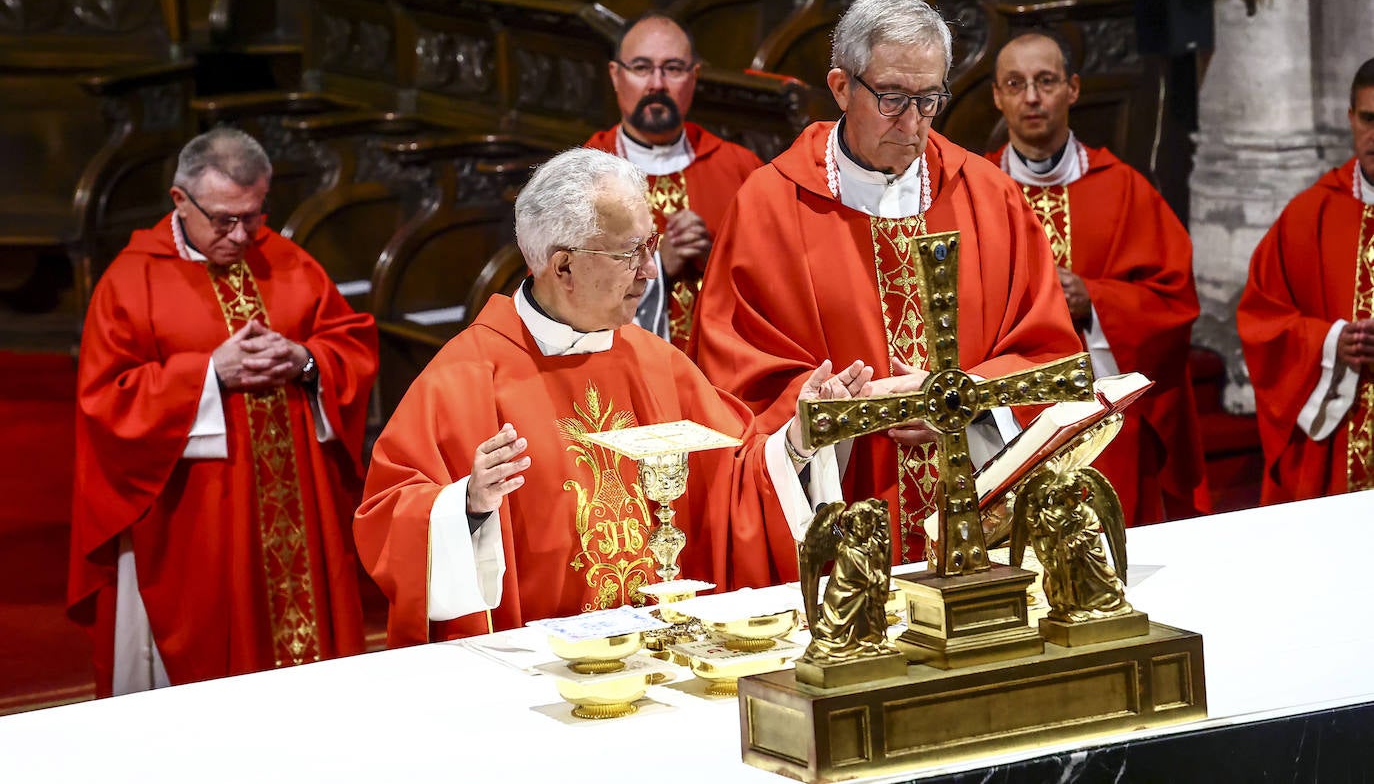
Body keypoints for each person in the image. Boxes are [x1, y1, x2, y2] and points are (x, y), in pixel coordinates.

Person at [354, 148, 870, 646]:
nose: (650, 270)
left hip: (664, 658)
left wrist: (801, 439)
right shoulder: (465, 377)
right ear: (562, 268)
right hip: (541, 682)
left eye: (650, 245)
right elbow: (386, 517)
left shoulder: (657, 362)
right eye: (630, 253)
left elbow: (735, 481)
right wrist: (467, 506)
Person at [689, 0, 1083, 567]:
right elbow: (733, 379)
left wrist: (961, 402)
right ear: (841, 86)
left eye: (929, 100)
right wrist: (837, 407)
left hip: (974, 511)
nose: (912, 122)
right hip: (844, 516)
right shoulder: (769, 206)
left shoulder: (987, 196)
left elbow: (1045, 356)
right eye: (893, 98)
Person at [68, 127, 379, 696]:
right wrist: (209, 374)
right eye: (223, 219)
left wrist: (306, 359)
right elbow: (107, 399)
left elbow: (351, 343)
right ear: (180, 201)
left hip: (295, 515)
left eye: (254, 216)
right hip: (195, 518)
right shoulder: (130, 280)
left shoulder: (287, 261)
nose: (241, 235)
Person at [987, 31, 1206, 525]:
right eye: (1016, 84)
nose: (1032, 98)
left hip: (1106, 416)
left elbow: (1174, 301)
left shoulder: (1124, 188)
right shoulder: (975, 192)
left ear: (1073, 89)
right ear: (998, 97)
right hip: (1006, 417)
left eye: (1045, 81)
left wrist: (1097, 300)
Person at [1237, 57, 1374, 503]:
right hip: (1337, 436)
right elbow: (1260, 320)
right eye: (1369, 119)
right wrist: (1331, 342)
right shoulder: (1308, 215)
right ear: (1351, 118)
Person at [584, 13, 763, 348]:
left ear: (693, 77)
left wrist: (714, 258)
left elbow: (774, 283)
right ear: (615, 75)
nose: (657, 84)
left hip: (722, 375)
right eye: (641, 67)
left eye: (673, 68)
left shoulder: (740, 168)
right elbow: (561, 289)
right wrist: (656, 268)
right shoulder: (583, 175)